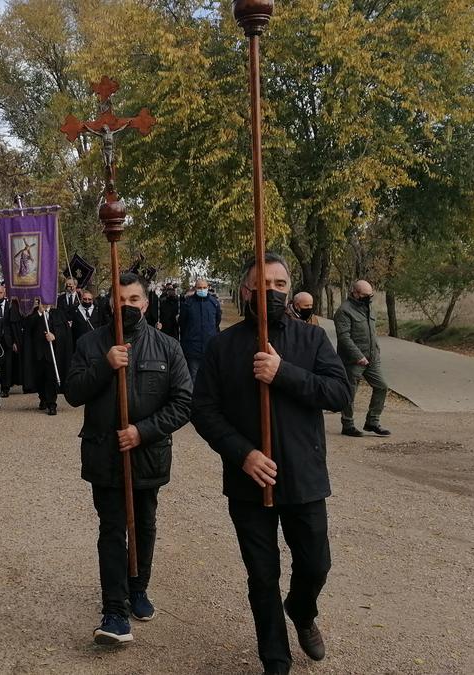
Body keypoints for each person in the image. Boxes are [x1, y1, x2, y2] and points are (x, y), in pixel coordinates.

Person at [191, 253, 351, 675]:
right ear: (245, 292)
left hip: (303, 475)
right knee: (262, 576)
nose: (273, 292)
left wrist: (283, 372)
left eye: (280, 285)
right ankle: (275, 660)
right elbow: (203, 410)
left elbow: (339, 394)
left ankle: (301, 610)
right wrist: (243, 454)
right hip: (249, 482)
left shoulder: (311, 340)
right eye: (262, 286)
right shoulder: (222, 346)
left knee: (316, 563)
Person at [65, 273, 193, 645]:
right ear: (110, 304)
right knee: (112, 528)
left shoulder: (168, 347)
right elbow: (73, 392)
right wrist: (105, 365)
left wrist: (144, 431)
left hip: (148, 455)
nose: (128, 307)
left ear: (146, 304)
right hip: (104, 454)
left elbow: (184, 402)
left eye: (134, 300)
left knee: (144, 525)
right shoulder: (90, 343)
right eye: (121, 300)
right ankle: (115, 610)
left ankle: (138, 588)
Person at [334, 280, 390, 437]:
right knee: (350, 392)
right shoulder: (344, 311)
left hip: (372, 358)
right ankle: (348, 425)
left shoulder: (369, 307)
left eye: (370, 295)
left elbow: (371, 331)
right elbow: (344, 337)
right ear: (355, 293)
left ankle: (372, 421)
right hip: (353, 360)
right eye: (365, 295)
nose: (369, 298)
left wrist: (376, 351)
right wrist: (358, 356)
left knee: (382, 387)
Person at [22, 296, 72, 415]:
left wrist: (55, 337)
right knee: (39, 378)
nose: (45, 303)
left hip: (52, 353)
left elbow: (65, 333)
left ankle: (52, 403)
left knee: (51, 378)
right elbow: (28, 327)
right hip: (38, 353)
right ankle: (43, 398)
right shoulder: (33, 314)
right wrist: (39, 312)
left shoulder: (58, 314)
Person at [179, 278, 222, 382]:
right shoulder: (188, 304)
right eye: (199, 288)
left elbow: (217, 321)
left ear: (208, 288)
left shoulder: (214, 303)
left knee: (210, 378)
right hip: (193, 349)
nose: (202, 289)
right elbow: (182, 323)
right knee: (194, 378)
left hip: (210, 348)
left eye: (204, 287)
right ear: (195, 288)